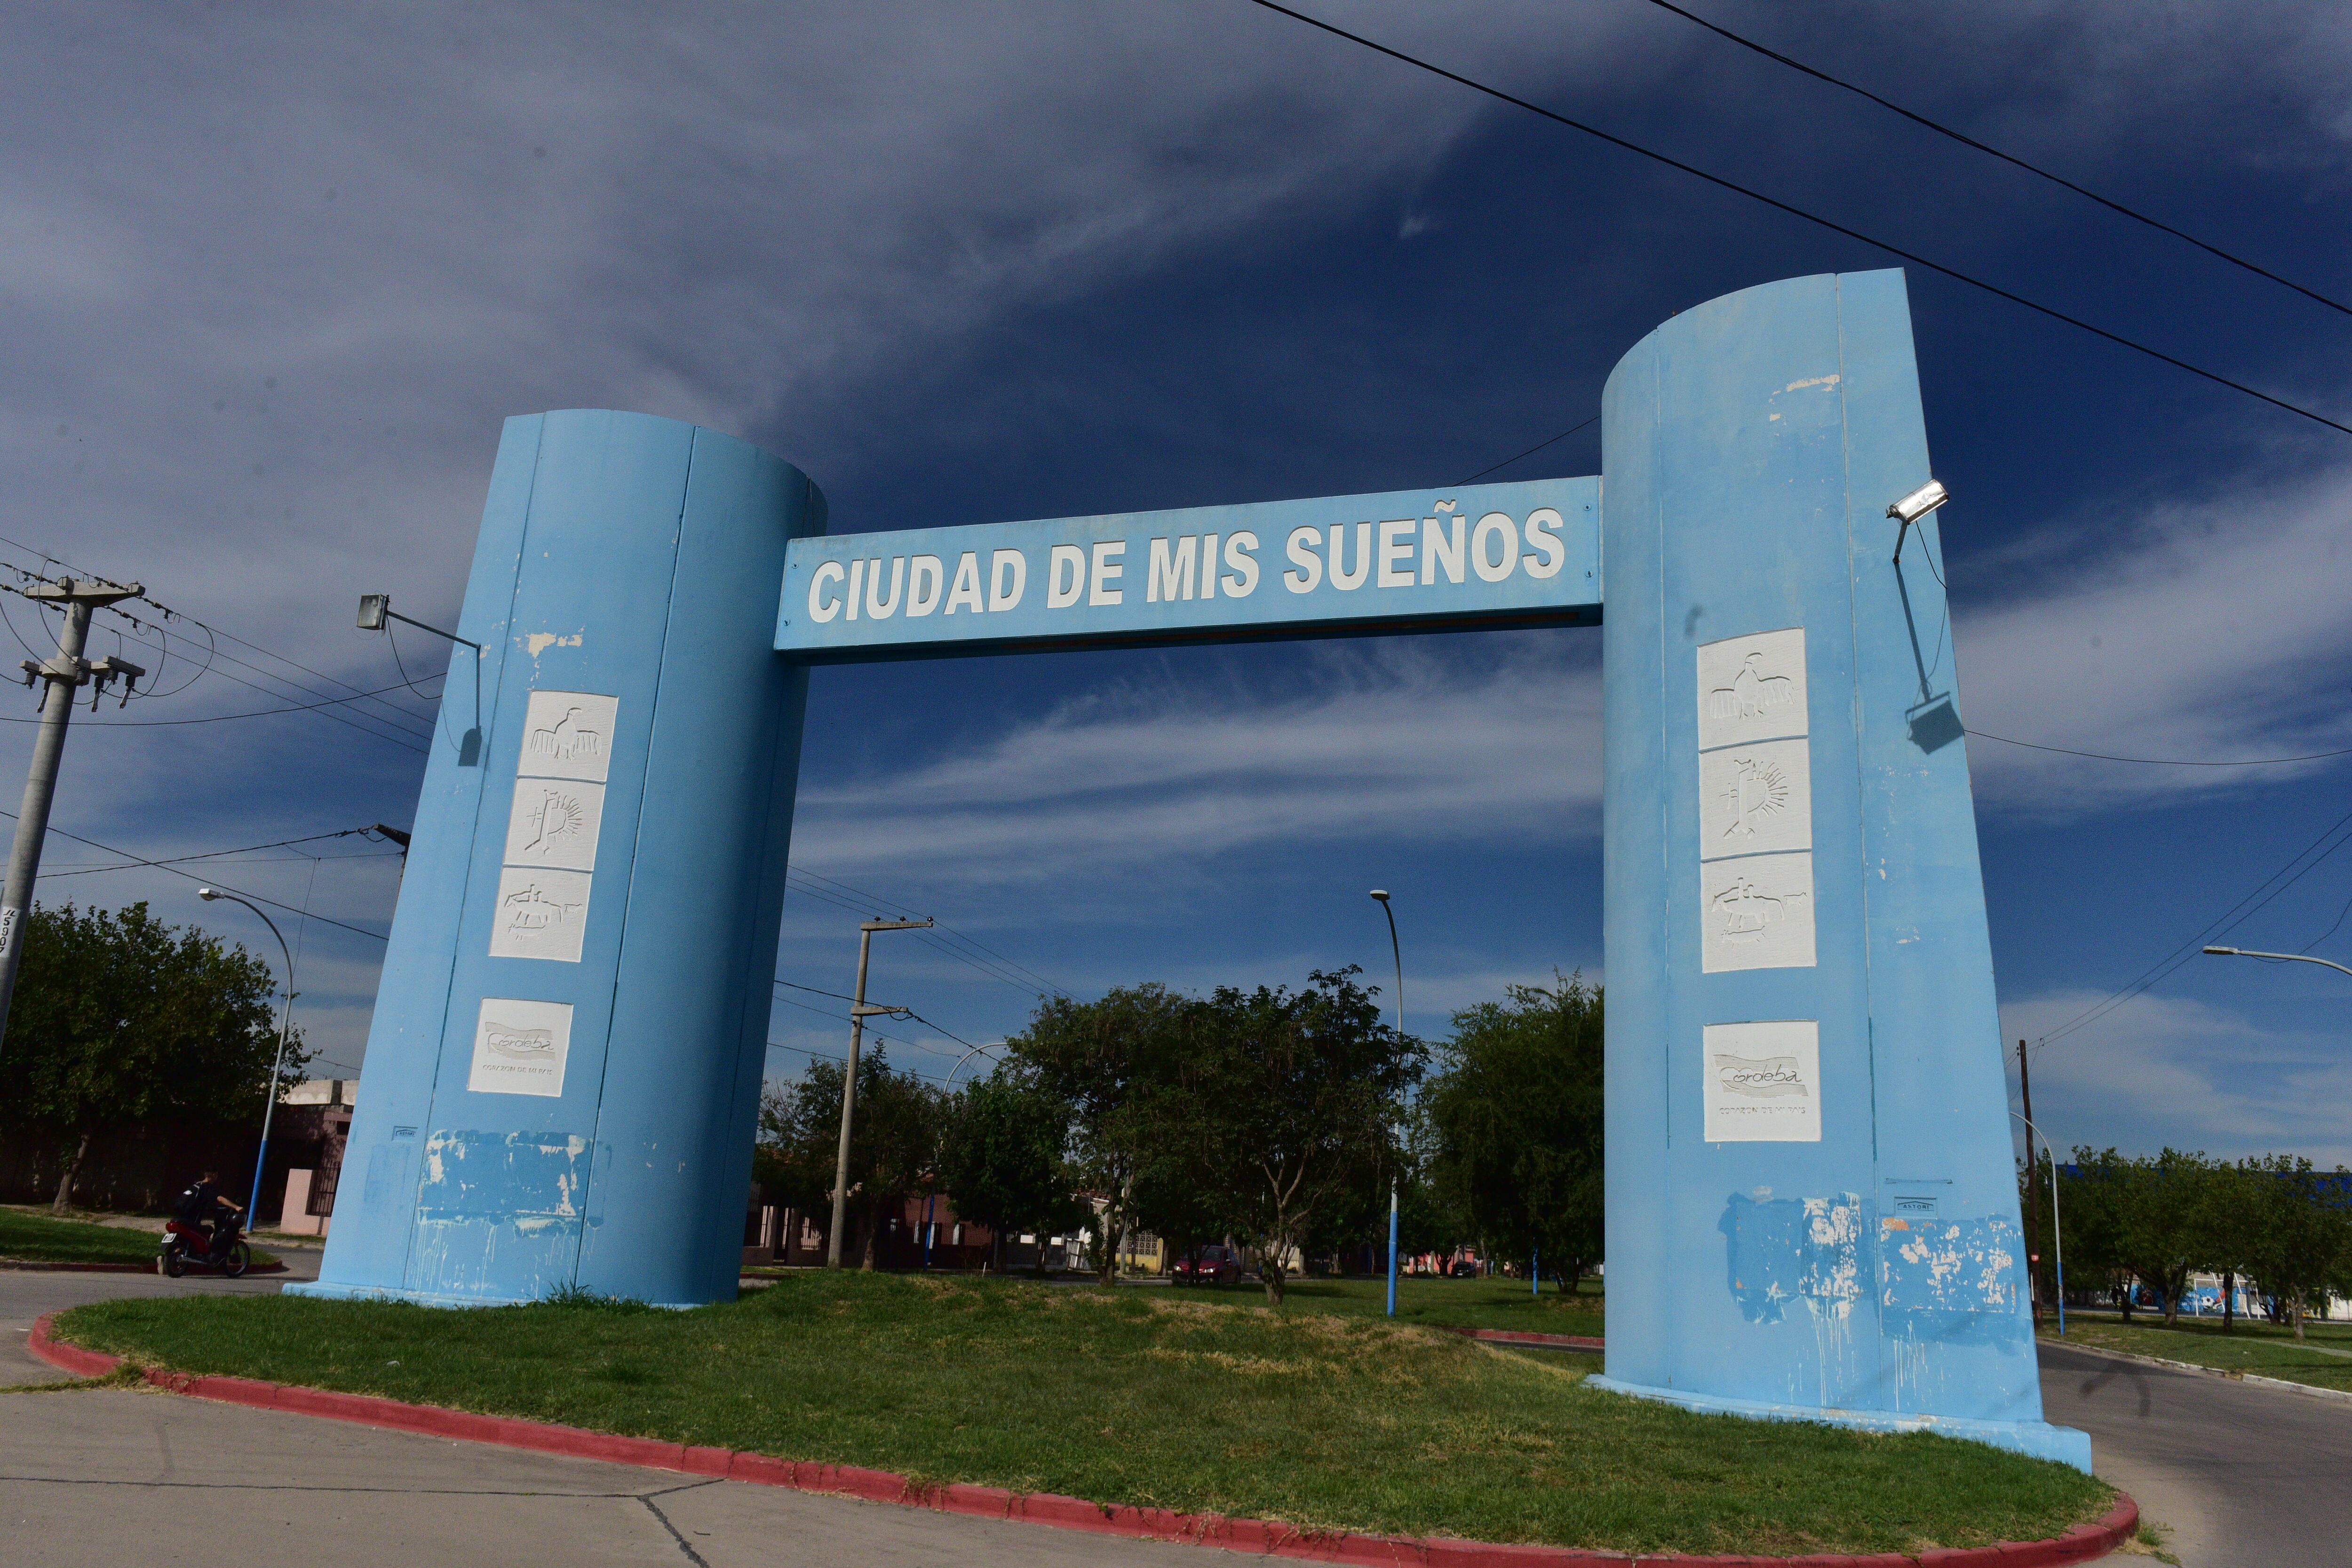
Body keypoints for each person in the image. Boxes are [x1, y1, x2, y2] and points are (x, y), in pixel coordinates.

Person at [174, 1170, 243, 1260]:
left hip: (181, 1218)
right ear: (214, 1175)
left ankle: (169, 1260)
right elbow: (220, 1199)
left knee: (185, 1240)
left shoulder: (195, 1186)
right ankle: (207, 1256)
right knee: (209, 1230)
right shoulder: (207, 1187)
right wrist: (236, 1207)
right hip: (192, 1221)